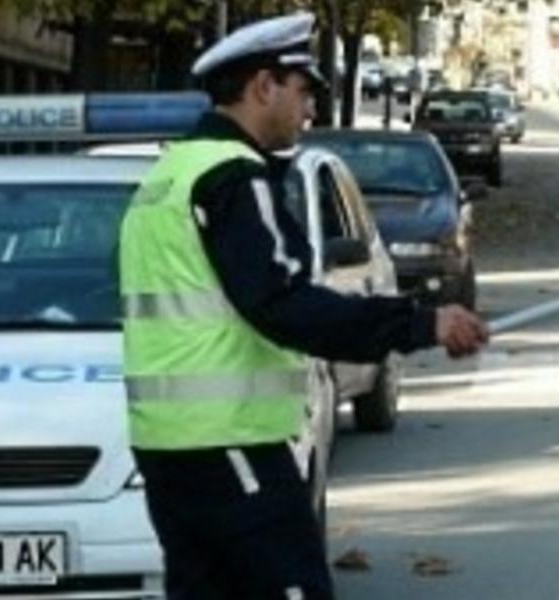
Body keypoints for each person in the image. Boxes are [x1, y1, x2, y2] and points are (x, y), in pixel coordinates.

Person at [118, 12, 488, 599]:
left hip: (171, 447)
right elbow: (285, 303)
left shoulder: (168, 176)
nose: (310, 109)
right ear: (264, 86)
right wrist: (421, 323)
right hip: (228, 442)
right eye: (302, 90)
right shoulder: (234, 178)